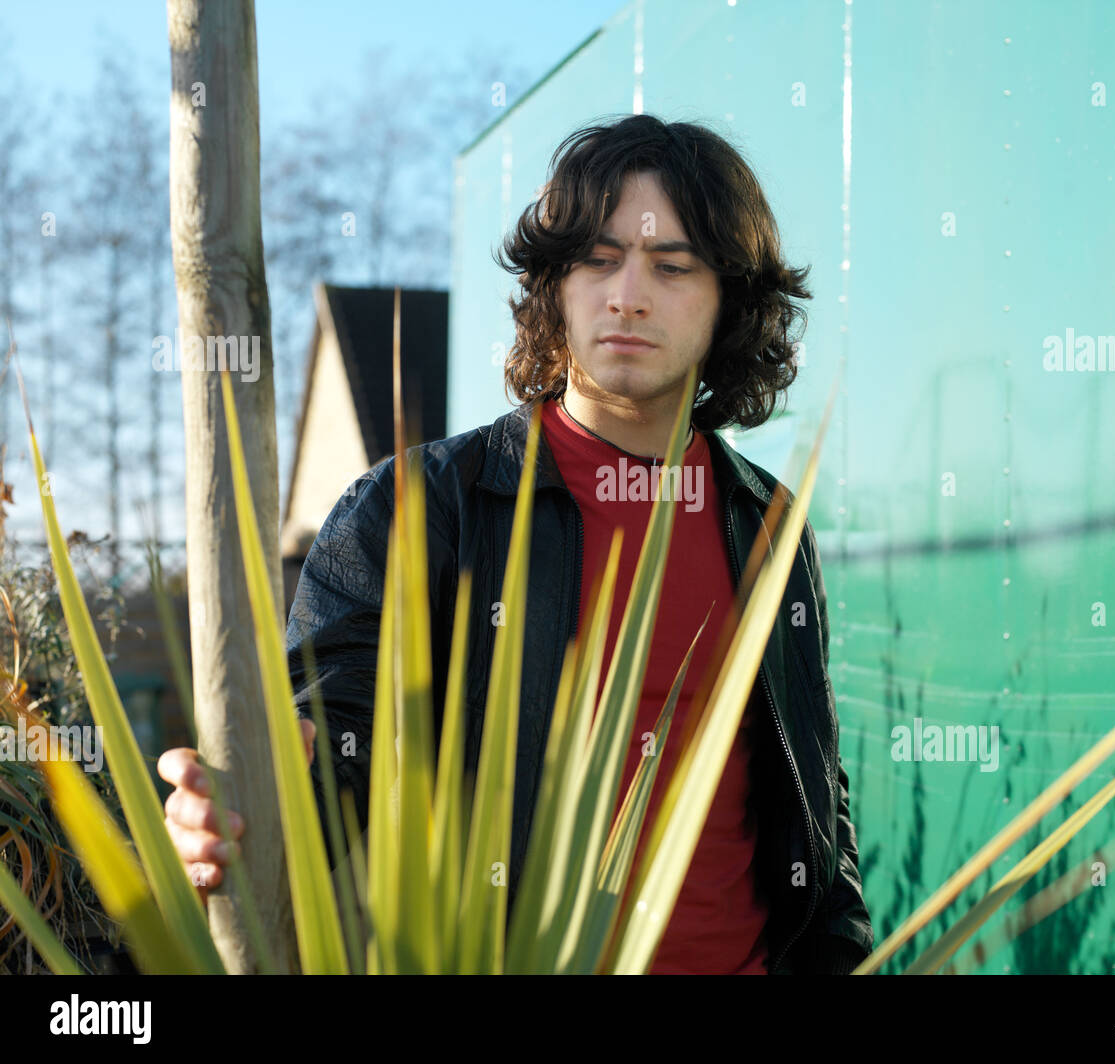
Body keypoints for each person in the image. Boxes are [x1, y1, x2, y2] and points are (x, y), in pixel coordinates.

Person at [159, 114, 873, 974]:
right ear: (554, 285)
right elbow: (328, 728)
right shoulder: (421, 509)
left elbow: (816, 791)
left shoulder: (767, 523)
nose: (627, 296)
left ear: (729, 300)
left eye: (673, 266)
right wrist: (258, 794)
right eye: (598, 260)